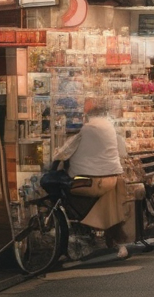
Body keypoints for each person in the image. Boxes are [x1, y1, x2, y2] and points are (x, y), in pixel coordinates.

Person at [55, 105, 132, 260]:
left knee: (64, 191)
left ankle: (77, 233)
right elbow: (123, 152)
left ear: (88, 118)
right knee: (110, 209)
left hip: (86, 182)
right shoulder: (111, 131)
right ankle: (118, 242)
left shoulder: (84, 131)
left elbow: (63, 153)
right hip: (110, 180)